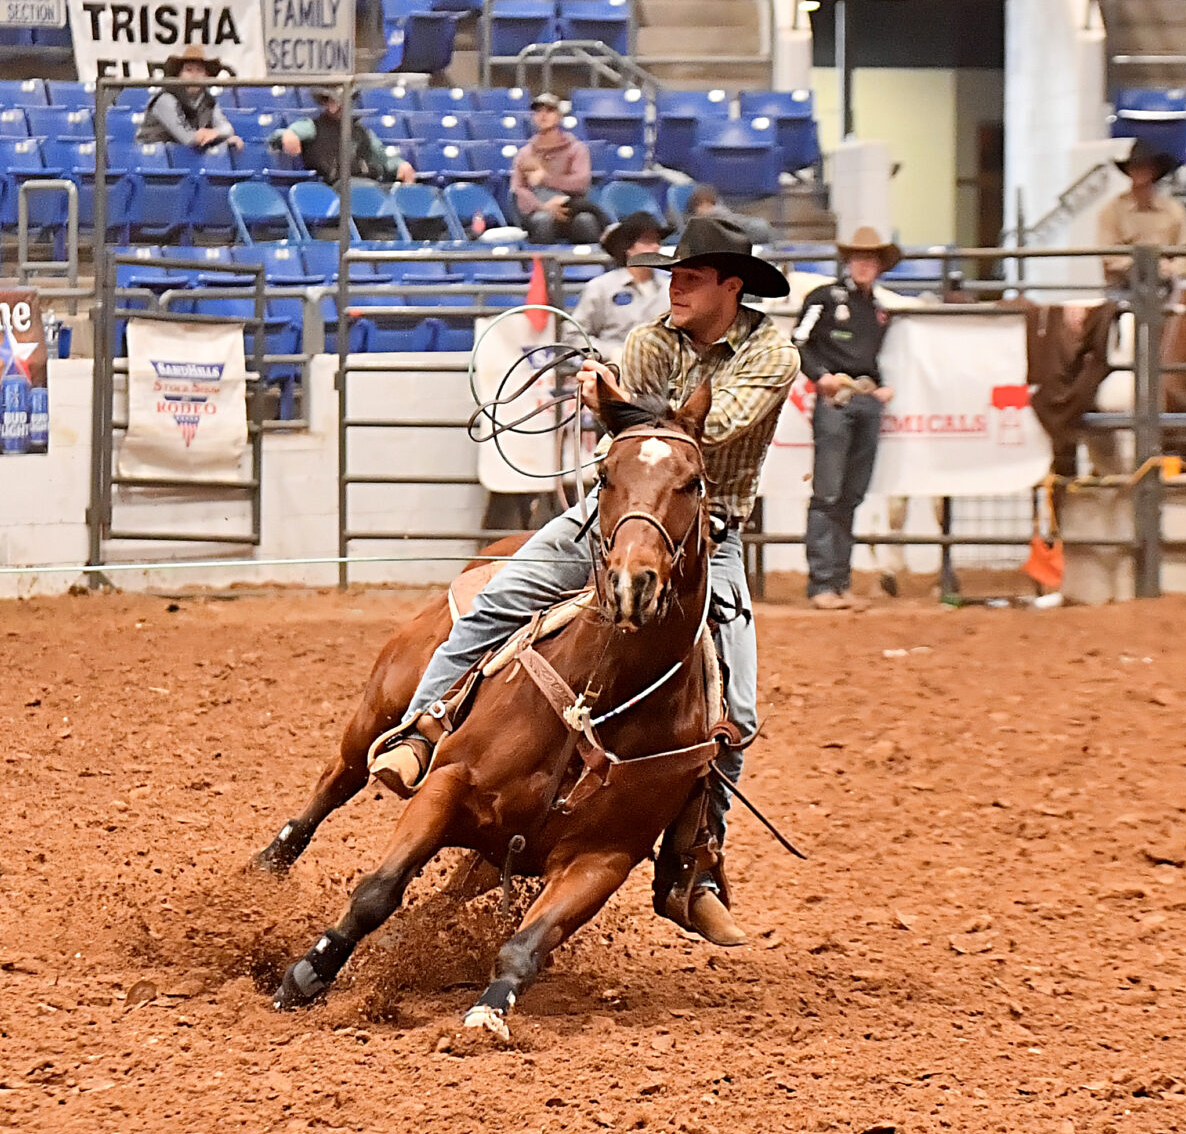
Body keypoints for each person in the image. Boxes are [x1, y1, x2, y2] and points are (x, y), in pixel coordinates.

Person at [368, 217, 798, 947]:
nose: (673, 288)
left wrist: (614, 404)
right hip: (614, 521)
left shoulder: (771, 355)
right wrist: (611, 412)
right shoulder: (650, 341)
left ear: (732, 286)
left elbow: (701, 431)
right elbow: (628, 451)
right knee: (498, 600)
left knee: (737, 714)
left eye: (690, 278)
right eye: (672, 276)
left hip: (705, 538)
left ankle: (690, 871)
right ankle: (420, 728)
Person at [795, 226, 900, 612]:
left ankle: (839, 581)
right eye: (858, 258)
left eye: (870, 259)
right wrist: (820, 376)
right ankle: (823, 582)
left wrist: (880, 387)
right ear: (848, 261)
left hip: (866, 401)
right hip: (836, 401)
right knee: (828, 493)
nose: (863, 265)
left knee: (851, 494)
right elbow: (799, 342)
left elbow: (869, 359)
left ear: (879, 265)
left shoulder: (879, 311)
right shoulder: (824, 298)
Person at [1095, 138, 1186, 290]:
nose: (1140, 171)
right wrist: (1144, 267)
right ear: (1128, 170)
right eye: (1135, 166)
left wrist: (1171, 269)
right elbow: (1109, 254)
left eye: (1144, 166)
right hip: (1123, 287)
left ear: (1155, 171)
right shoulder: (1112, 210)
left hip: (1166, 286)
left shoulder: (1174, 209)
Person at [569, 212, 670, 362]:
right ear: (629, 248)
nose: (656, 247)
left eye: (657, 241)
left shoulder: (670, 287)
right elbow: (573, 336)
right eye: (647, 241)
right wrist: (611, 352)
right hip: (614, 366)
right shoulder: (601, 287)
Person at [270, 87, 416, 187]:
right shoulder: (313, 126)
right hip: (333, 189)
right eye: (331, 100)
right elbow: (281, 135)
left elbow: (383, 156)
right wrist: (288, 135)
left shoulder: (361, 132)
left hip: (367, 185)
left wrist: (400, 165)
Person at [511, 92, 603, 245]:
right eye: (538, 111)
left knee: (586, 222)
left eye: (549, 110)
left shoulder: (576, 149)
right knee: (543, 221)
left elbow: (581, 182)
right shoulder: (525, 153)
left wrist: (545, 179)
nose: (543, 115)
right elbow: (518, 189)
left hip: (571, 208)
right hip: (539, 209)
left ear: (559, 116)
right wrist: (543, 207)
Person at [136, 45, 243, 153]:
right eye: (188, 70)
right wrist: (215, 138)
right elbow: (187, 138)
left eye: (199, 70)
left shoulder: (208, 101)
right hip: (154, 157)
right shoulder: (165, 99)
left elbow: (227, 128)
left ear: (206, 75)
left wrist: (215, 133)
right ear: (178, 74)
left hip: (186, 157)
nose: (194, 75)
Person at [684, 183, 773, 247]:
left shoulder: (715, 212)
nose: (703, 209)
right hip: (755, 227)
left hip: (753, 229)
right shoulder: (711, 214)